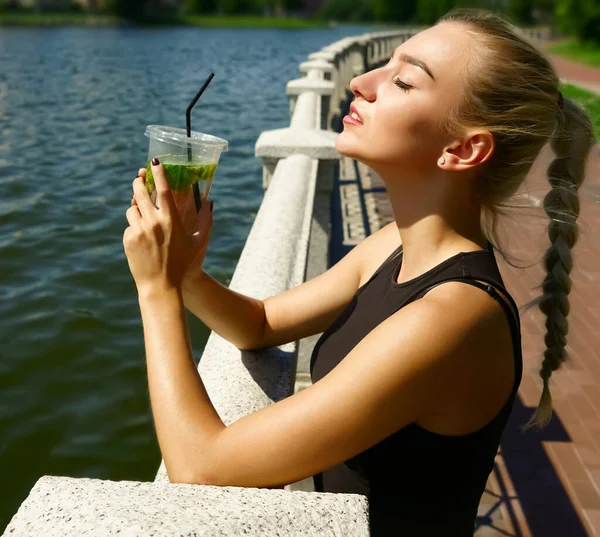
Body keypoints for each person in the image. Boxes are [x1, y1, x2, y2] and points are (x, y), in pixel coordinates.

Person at [124, 8, 596, 537]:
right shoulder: (395, 243)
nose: (360, 82)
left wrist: (155, 289)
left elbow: (201, 467)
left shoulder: (454, 319)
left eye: (402, 80)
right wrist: (184, 271)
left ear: (463, 149)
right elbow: (257, 323)